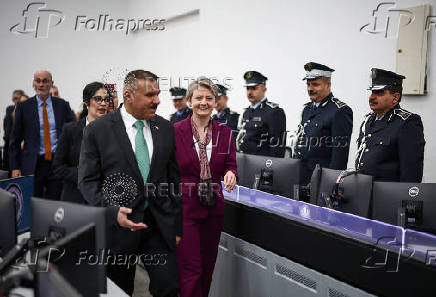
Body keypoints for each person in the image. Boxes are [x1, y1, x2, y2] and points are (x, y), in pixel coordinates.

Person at [78, 70, 182, 297]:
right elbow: (87, 181)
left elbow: (174, 179)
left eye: (158, 94)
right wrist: (111, 211)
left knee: (169, 288)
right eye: (150, 95)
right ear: (128, 95)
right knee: (119, 290)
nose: (157, 100)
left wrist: (176, 226)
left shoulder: (165, 128)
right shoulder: (98, 130)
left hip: (158, 228)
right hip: (118, 228)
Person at [174, 77, 237, 297]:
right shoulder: (175, 131)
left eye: (209, 98)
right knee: (191, 270)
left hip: (213, 209)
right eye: (198, 97)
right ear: (189, 100)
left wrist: (230, 174)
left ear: (215, 101)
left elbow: (231, 165)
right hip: (185, 210)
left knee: (207, 269)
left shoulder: (225, 132)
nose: (204, 102)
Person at [9, 70, 75, 199]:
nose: (41, 85)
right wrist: (15, 167)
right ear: (33, 84)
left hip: (57, 162)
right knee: (34, 202)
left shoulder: (62, 105)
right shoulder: (23, 107)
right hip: (33, 163)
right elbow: (15, 139)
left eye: (45, 81)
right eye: (38, 81)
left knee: (55, 202)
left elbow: (73, 134)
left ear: (51, 83)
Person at [356, 68, 425, 182]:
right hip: (365, 191)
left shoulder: (407, 123)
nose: (372, 97)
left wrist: (403, 198)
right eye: (372, 92)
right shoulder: (368, 120)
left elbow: (411, 173)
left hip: (388, 194)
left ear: (395, 98)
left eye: (379, 93)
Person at [293, 62, 353, 186]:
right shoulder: (307, 109)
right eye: (308, 84)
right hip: (300, 178)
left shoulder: (339, 111)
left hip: (319, 182)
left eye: (315, 84)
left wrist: (327, 185)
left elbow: (339, 158)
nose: (310, 89)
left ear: (328, 85)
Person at [53, 82, 110, 203]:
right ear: (86, 103)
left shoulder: (115, 131)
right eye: (98, 99)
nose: (103, 103)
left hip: (104, 200)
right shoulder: (70, 130)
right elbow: (58, 167)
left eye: (106, 99)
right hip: (75, 197)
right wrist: (84, 174)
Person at [236, 71, 286, 157]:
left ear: (264, 89)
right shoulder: (246, 112)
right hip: (244, 162)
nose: (250, 92)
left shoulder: (273, 112)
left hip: (262, 164)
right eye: (248, 88)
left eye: (254, 88)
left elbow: (277, 146)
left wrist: (271, 168)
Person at [2, 90, 25, 171]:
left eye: (17, 98)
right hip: (8, 144)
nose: (15, 101)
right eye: (14, 99)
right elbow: (7, 127)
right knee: (6, 170)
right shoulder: (10, 110)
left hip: (19, 145)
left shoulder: (25, 111)